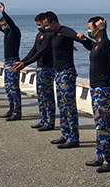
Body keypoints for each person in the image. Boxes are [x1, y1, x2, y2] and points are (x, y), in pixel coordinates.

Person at [14, 11, 84, 149]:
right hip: (58, 73)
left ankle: (74, 137)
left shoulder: (64, 31)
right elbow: (39, 50)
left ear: (53, 22)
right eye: (43, 25)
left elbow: (76, 37)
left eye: (46, 25)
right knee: (62, 105)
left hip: (66, 72)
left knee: (69, 106)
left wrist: (86, 41)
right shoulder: (51, 35)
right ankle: (65, 134)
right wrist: (24, 62)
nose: (44, 28)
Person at [76, 17, 110, 172]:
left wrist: (104, 29)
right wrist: (83, 39)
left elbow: (102, 44)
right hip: (96, 90)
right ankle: (100, 156)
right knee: (99, 125)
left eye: (90, 28)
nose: (89, 30)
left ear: (98, 29)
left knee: (103, 127)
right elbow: (91, 46)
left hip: (104, 91)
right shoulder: (97, 46)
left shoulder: (106, 45)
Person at [0, 2, 22, 121]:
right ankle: (11, 108)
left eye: (4, 25)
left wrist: (4, 13)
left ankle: (17, 111)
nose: (2, 27)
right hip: (6, 62)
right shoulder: (6, 32)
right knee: (8, 87)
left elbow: (11, 24)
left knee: (14, 87)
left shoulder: (15, 31)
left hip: (14, 61)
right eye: (2, 25)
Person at [21, 13, 56, 131]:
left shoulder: (50, 35)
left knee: (48, 96)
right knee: (40, 95)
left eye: (40, 25)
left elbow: (41, 52)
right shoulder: (39, 35)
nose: (39, 27)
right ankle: (43, 118)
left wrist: (25, 63)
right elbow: (34, 51)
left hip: (48, 67)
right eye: (37, 25)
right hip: (39, 68)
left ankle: (50, 121)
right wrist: (23, 61)